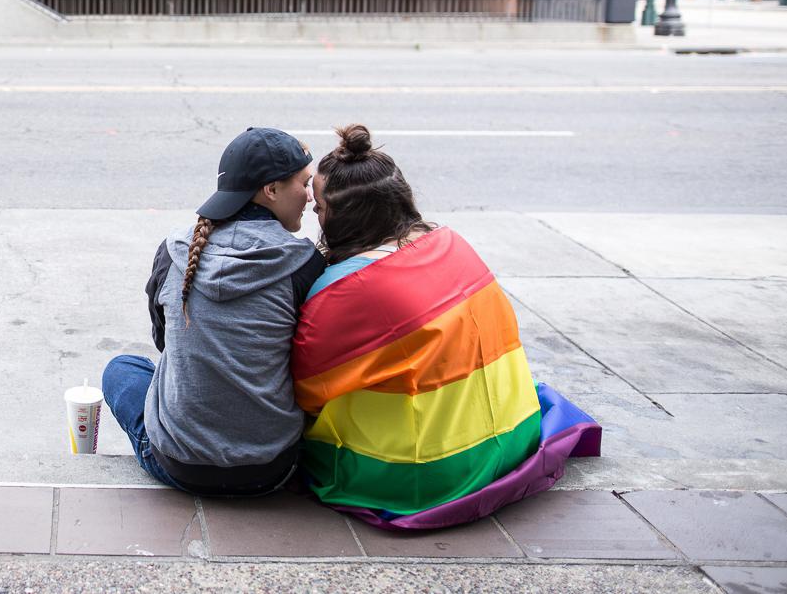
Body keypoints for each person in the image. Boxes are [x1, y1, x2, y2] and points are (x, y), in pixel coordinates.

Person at [291, 124, 601, 531]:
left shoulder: (343, 289)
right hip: (512, 433)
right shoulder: (450, 240)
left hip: (423, 474)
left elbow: (304, 392)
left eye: (321, 206)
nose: (314, 209)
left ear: (345, 215)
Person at [102, 127, 326, 496]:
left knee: (122, 369)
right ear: (270, 190)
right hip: (273, 469)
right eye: (303, 184)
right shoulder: (303, 264)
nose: (310, 196)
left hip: (178, 466)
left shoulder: (175, 250)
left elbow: (164, 343)